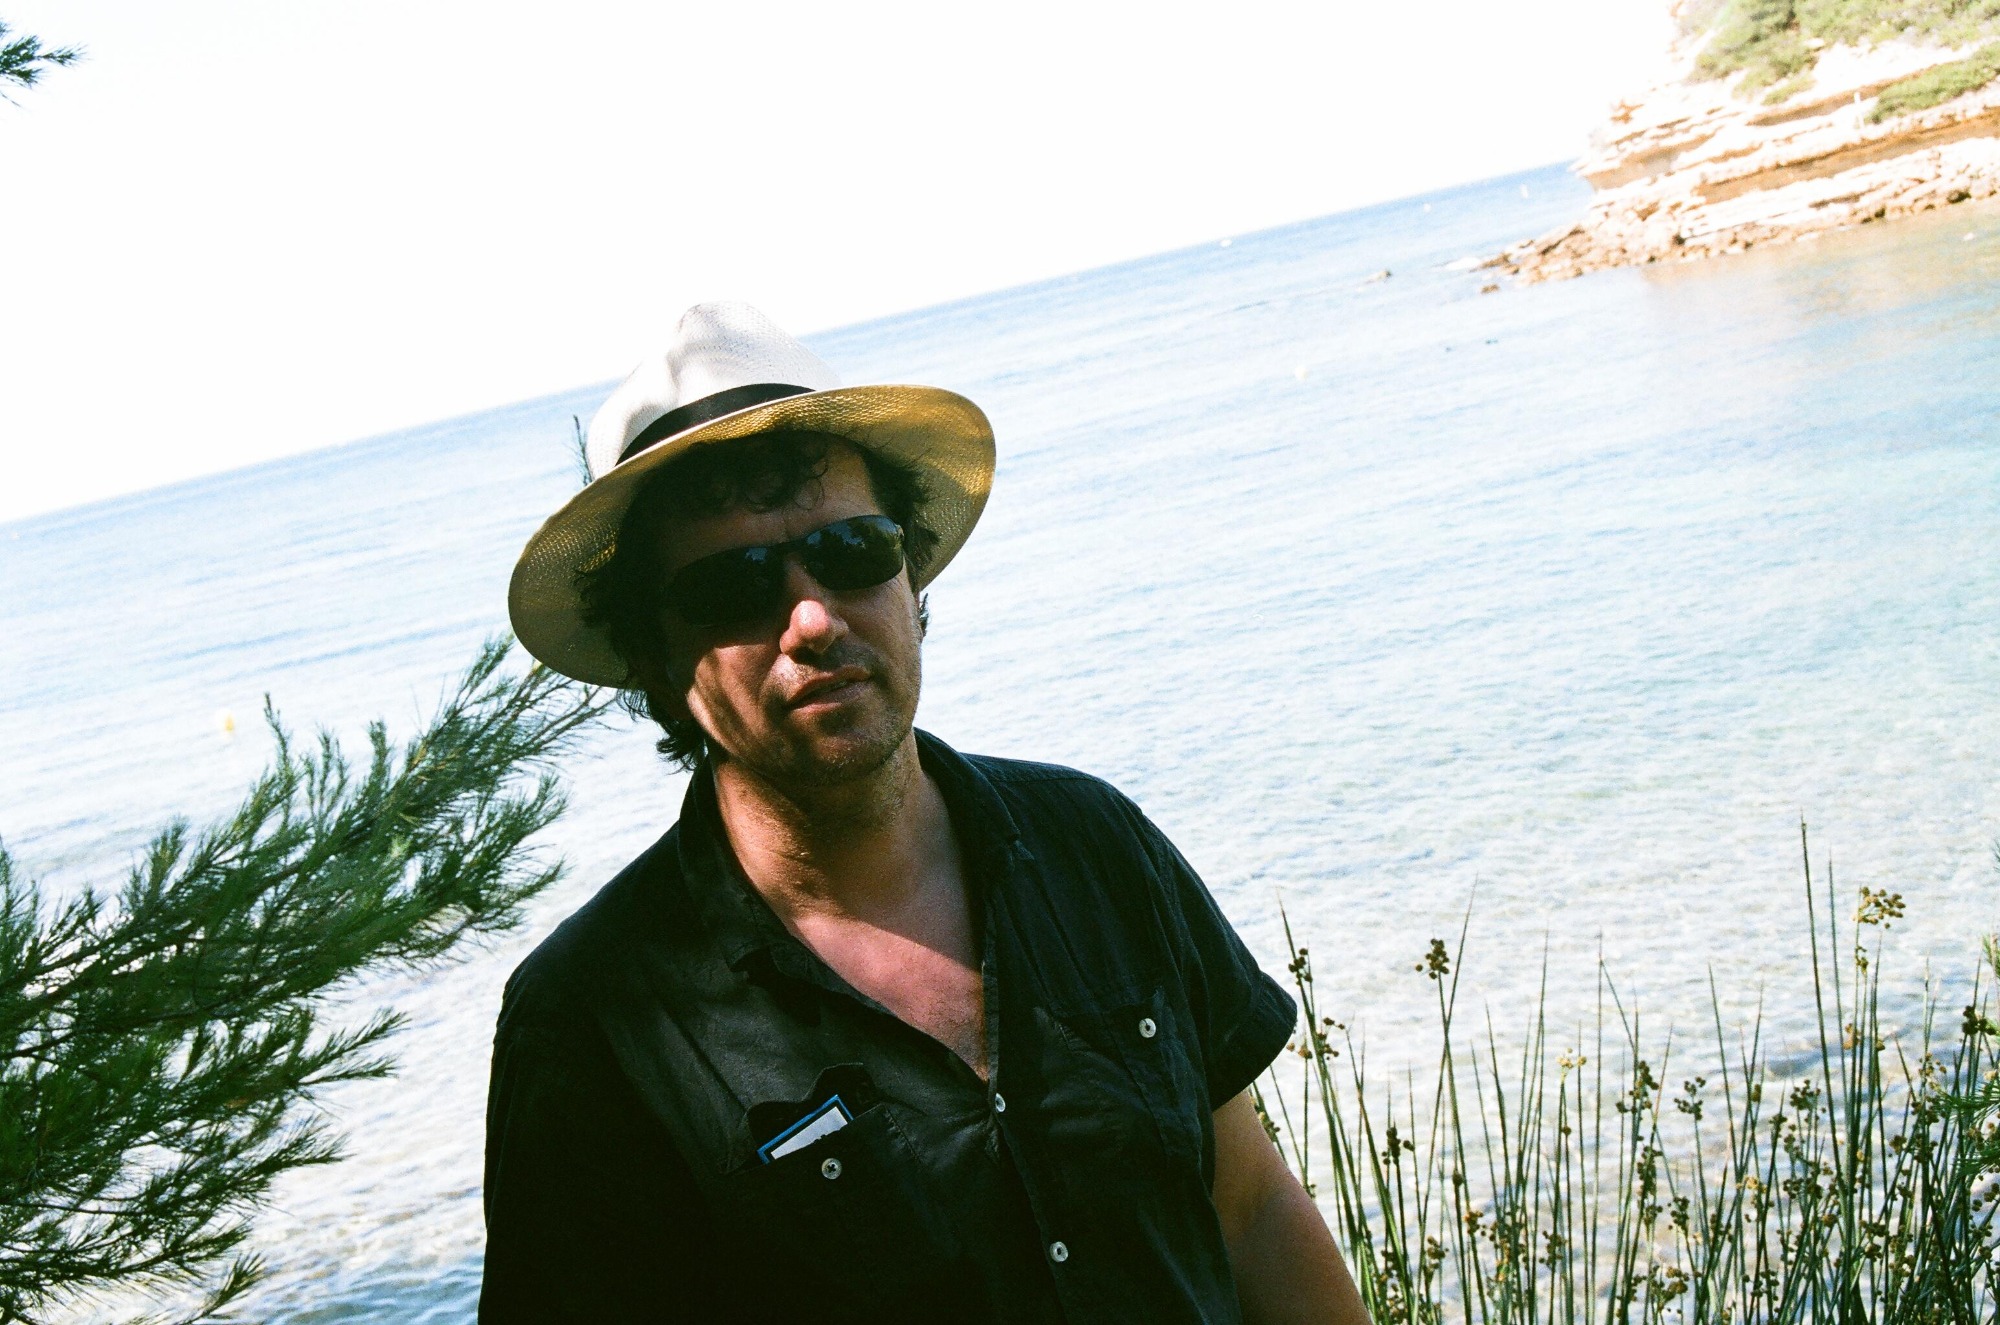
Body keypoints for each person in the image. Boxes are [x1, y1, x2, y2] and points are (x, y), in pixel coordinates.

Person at [485, 302, 1369, 1323]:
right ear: (654, 653)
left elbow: (1248, 1207)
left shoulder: (1092, 842)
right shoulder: (591, 1024)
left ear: (909, 574)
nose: (812, 617)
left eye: (851, 548)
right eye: (734, 583)